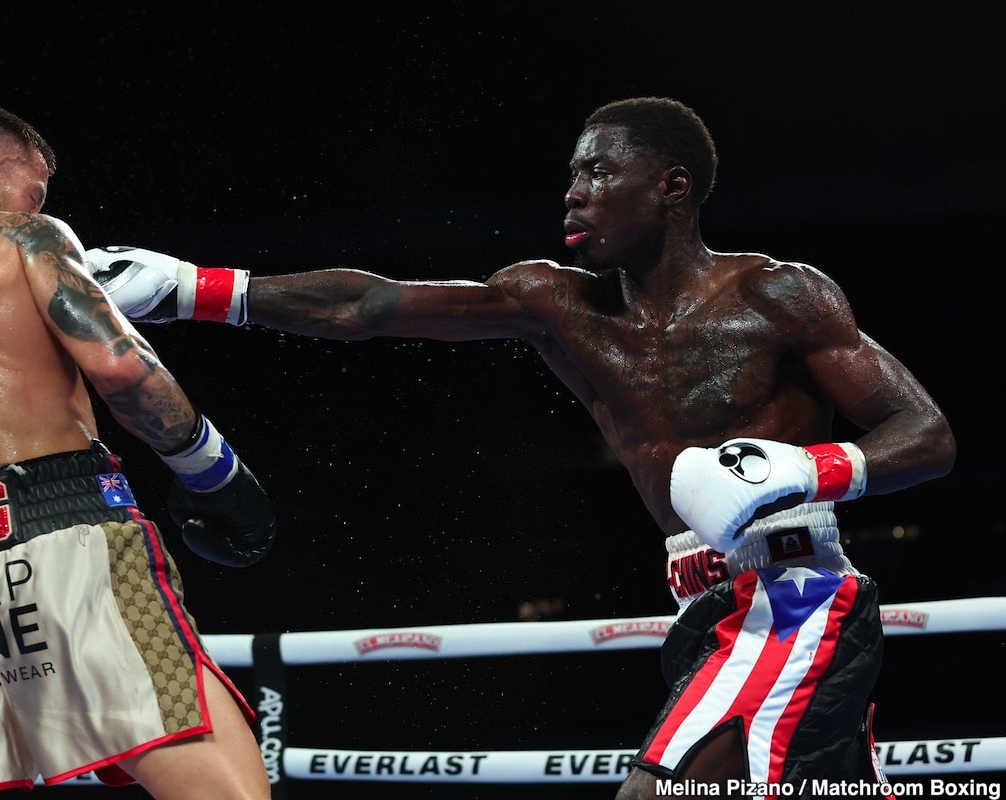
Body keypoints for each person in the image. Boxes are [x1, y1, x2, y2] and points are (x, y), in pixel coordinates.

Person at [86, 97, 956, 796]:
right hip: (701, 603)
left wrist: (806, 469)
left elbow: (927, 435)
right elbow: (371, 305)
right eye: (572, 173)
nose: (573, 192)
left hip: (794, 595)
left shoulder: (779, 294)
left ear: (672, 185)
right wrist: (195, 288)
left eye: (599, 170)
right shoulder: (557, 304)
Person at [0, 98, 276, 800]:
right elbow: (123, 370)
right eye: (33, 191)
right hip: (68, 541)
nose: (39, 207)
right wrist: (212, 471)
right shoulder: (22, 237)